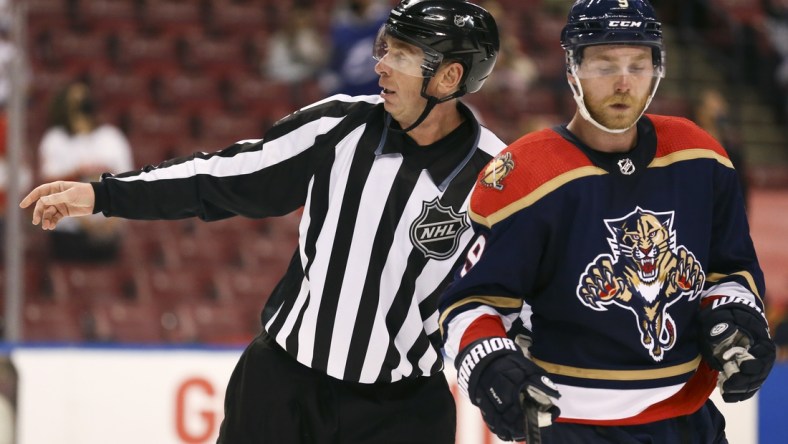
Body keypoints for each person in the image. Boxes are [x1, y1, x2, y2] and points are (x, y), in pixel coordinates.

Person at [21, 1, 503, 442]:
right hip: (283, 388)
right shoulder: (336, 127)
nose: (379, 65)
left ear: (447, 77)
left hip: (400, 414)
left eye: (400, 55)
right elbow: (218, 177)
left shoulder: (499, 176)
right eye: (386, 48)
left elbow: (522, 293)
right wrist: (102, 194)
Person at [438, 0, 776, 442]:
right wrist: (489, 362)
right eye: (604, 65)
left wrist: (734, 318)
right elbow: (471, 303)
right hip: (570, 427)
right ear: (572, 69)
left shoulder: (699, 156)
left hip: (689, 424)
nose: (623, 82)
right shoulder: (524, 175)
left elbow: (728, 270)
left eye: (639, 65)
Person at [37, 80, 133, 262]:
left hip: (108, 234)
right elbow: (47, 185)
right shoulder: (55, 139)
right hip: (68, 234)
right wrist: (77, 172)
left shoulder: (111, 138)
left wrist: (112, 223)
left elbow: (128, 185)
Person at [319, 0, 389, 96]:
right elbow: (335, 60)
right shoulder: (340, 27)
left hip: (379, 88)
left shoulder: (386, 21)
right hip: (351, 90)